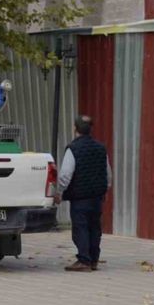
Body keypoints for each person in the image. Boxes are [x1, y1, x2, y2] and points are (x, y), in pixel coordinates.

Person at [55, 115, 112, 272]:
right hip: (97, 197)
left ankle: (84, 260)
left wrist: (59, 192)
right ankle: (94, 260)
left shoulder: (73, 148)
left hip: (80, 198)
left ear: (75, 129)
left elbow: (65, 174)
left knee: (81, 228)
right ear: (90, 129)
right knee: (95, 228)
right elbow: (107, 173)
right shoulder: (101, 148)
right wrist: (105, 189)